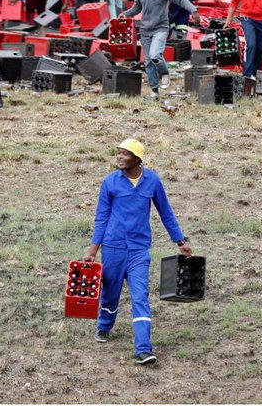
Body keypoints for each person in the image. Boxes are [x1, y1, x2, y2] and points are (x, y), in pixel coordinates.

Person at [84, 139, 193, 366]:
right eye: (119, 153)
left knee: (140, 297)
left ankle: (143, 349)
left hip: (138, 251)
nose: (120, 157)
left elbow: (166, 212)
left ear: (137, 158)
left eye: (125, 154)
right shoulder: (110, 182)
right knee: (110, 294)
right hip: (113, 249)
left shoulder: (152, 180)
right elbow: (101, 218)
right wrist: (93, 251)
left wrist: (180, 241)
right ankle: (104, 326)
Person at [121, 0, 199, 98]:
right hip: (145, 30)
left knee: (155, 55)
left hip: (160, 29)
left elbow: (180, 0)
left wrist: (193, 10)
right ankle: (154, 91)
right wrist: (125, 14)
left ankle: (164, 72)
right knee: (148, 63)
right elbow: (137, 8)